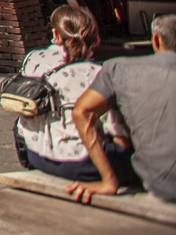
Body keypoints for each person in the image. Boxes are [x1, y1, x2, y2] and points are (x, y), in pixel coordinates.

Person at [13, 6, 132, 182]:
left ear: (56, 34)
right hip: (82, 163)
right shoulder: (97, 73)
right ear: (96, 40)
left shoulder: (32, 60)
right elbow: (116, 130)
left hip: (36, 155)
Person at [69, 13, 176, 204]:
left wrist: (108, 181)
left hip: (164, 185)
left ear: (156, 40)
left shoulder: (119, 68)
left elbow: (81, 112)